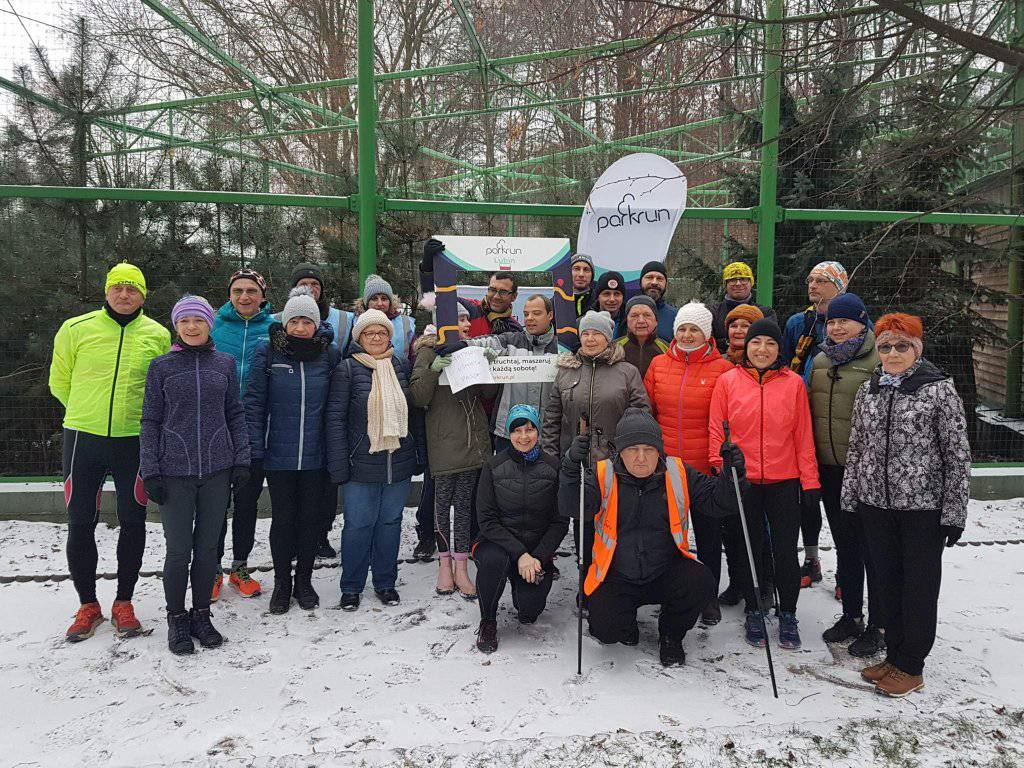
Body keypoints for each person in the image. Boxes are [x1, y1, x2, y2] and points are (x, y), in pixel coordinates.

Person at [841, 313, 970, 697]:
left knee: (917, 588)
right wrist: (851, 500)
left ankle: (912, 664)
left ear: (917, 348)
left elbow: (957, 454)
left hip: (922, 510)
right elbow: (857, 447)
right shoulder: (871, 388)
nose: (893, 353)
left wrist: (954, 513)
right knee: (886, 584)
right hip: (875, 505)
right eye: (885, 346)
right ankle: (894, 655)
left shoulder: (939, 390)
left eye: (902, 346)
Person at [559, 408, 746, 666]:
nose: (640, 459)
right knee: (604, 630)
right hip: (617, 574)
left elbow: (719, 502)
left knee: (701, 581)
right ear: (618, 451)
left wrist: (731, 474)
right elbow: (572, 507)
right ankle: (626, 625)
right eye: (632, 450)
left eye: (648, 450)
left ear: (659, 450)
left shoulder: (678, 472)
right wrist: (570, 468)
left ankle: (671, 634)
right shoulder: (603, 474)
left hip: (665, 570)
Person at [49, 262, 171, 642]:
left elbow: (162, 387)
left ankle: (124, 602)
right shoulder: (75, 328)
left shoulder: (158, 334)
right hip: (83, 438)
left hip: (133, 440)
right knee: (81, 520)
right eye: (117, 288)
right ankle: (88, 604)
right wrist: (85, 411)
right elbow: (60, 380)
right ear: (106, 292)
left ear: (143, 294)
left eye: (132, 289)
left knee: (133, 521)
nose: (124, 295)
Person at [140, 296, 250, 655]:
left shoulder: (225, 364)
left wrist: (241, 459)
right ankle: (177, 619)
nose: (191, 327)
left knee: (207, 551)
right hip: (174, 473)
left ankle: (201, 614)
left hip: (217, 471)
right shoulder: (161, 367)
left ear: (209, 325)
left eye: (198, 321)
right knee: (178, 551)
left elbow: (235, 413)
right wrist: (150, 469)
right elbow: (150, 421)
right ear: (176, 326)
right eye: (184, 321)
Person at [708, 318, 820, 650]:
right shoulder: (728, 381)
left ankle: (788, 612)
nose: (762, 349)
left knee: (785, 551)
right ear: (747, 347)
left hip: (784, 479)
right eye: (757, 343)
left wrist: (810, 482)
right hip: (744, 480)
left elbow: (803, 436)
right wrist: (722, 467)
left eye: (770, 344)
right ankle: (755, 609)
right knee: (746, 548)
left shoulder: (793, 384)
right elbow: (717, 430)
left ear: (778, 349)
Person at [245, 287, 336, 615]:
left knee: (311, 520)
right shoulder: (268, 352)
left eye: (306, 321)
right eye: (294, 321)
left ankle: (304, 581)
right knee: (283, 520)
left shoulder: (328, 354)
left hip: (316, 455)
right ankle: (282, 583)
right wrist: (255, 448)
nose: (300, 327)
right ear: (285, 323)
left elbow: (335, 405)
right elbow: (254, 402)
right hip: (278, 455)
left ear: (315, 324)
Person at [327, 309, 425, 611]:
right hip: (361, 462)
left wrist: (418, 453)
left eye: (381, 332)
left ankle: (385, 582)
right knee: (358, 525)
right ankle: (352, 587)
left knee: (390, 523)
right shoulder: (347, 369)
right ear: (359, 337)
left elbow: (416, 414)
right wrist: (339, 462)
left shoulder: (401, 366)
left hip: (398, 461)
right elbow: (335, 419)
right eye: (369, 332)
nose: (376, 337)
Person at [643, 301, 733, 624]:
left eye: (694, 329)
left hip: (703, 469)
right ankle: (670, 590)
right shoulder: (658, 365)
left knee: (709, 536)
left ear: (707, 333)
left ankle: (708, 597)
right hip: (666, 467)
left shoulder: (721, 370)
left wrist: (718, 461)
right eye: (682, 328)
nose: (687, 334)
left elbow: (723, 420)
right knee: (668, 533)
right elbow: (648, 413)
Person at [808, 293, 884, 657]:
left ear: (862, 321)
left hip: (867, 472)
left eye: (846, 321)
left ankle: (880, 623)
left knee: (874, 549)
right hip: (830, 470)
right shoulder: (821, 361)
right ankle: (851, 615)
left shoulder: (878, 361)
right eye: (832, 322)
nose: (837, 327)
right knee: (846, 546)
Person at [410, 306, 495, 599]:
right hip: (444, 443)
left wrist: (487, 367)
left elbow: (486, 396)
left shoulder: (470, 350)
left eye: (466, 319)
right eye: (459, 319)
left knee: (464, 509)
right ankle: (443, 566)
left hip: (473, 443)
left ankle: (462, 567)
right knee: (441, 508)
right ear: (442, 324)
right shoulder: (427, 352)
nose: (466, 324)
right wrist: (433, 370)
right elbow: (419, 397)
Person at [781, 261, 853, 591]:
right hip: (804, 425)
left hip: (841, 433)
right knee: (805, 501)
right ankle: (811, 559)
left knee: (841, 507)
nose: (813, 285)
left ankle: (848, 570)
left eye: (822, 280)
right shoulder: (799, 323)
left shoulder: (853, 324)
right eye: (810, 279)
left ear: (840, 284)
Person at [473, 405, 568, 653]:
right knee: (494, 561)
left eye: (529, 429)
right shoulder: (493, 466)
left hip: (536, 549)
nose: (523, 436)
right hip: (498, 544)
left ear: (538, 431)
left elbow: (559, 521)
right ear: (508, 433)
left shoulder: (552, 467)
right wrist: (520, 554)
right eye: (517, 430)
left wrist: (537, 556)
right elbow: (487, 520)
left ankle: (521, 586)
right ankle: (488, 621)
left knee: (529, 611)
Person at [284, 263, 356, 561]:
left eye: (316, 284)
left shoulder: (339, 325)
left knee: (324, 489)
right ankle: (293, 540)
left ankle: (320, 535)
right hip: (289, 424)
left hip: (326, 416)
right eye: (304, 283)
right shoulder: (281, 326)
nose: (311, 288)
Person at [210, 268, 274, 600]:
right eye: (238, 291)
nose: (244, 296)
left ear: (262, 295)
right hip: (216, 429)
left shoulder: (274, 329)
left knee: (247, 502)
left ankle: (240, 567)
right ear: (229, 294)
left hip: (257, 429)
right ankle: (210, 569)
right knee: (215, 503)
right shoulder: (213, 328)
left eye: (251, 290)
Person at [542, 310, 650, 465]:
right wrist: (551, 459)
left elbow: (641, 418)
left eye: (597, 333)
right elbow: (552, 420)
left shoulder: (627, 372)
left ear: (607, 337)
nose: (590, 339)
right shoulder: (566, 371)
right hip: (572, 462)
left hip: (615, 463)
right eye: (585, 334)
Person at [462, 293, 560, 453]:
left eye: (536, 313)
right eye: (526, 314)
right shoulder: (510, 340)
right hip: (507, 434)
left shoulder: (562, 348)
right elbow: (482, 342)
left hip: (547, 436)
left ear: (550, 315)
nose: (529, 318)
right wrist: (461, 345)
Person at [419, 239, 523, 336]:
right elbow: (434, 298)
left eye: (503, 292)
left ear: (514, 296)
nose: (496, 296)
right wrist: (427, 267)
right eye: (492, 290)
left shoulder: (515, 328)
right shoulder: (470, 308)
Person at [710, 262, 776, 352]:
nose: (738, 284)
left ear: (751, 282)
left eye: (743, 279)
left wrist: (724, 342)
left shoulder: (766, 313)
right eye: (732, 280)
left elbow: (769, 343)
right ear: (725, 284)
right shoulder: (713, 312)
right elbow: (709, 344)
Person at [356, 273, 416, 362]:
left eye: (384, 299)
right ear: (366, 302)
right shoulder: (354, 322)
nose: (380, 303)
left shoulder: (406, 323)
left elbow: (414, 355)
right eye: (374, 299)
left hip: (399, 373)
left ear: (390, 302)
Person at [615, 295, 668, 378]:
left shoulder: (667, 349)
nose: (641, 321)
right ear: (627, 321)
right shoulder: (615, 348)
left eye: (647, 315)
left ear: (656, 321)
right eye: (634, 315)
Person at [638, 261, 678, 343]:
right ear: (640, 281)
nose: (654, 282)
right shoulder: (626, 314)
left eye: (659, 279)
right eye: (649, 277)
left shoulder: (676, 316)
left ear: (665, 283)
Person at [590, 271, 627, 338]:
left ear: (623, 297)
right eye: (606, 294)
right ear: (598, 297)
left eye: (617, 294)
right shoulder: (585, 320)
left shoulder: (631, 322)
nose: (612, 299)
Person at [571, 252, 595, 317]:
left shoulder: (599, 302)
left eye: (586, 270)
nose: (581, 274)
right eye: (576, 269)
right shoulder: (557, 301)